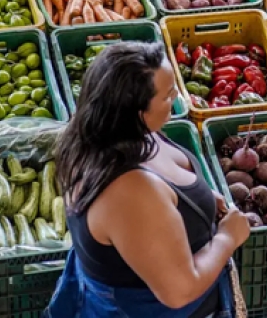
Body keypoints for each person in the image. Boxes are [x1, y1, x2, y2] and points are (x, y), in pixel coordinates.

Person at [44, 41, 251, 317]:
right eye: (167, 96)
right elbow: (179, 291)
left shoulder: (99, 134)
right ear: (138, 113)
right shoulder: (130, 192)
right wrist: (227, 237)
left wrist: (197, 200)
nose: (177, 96)